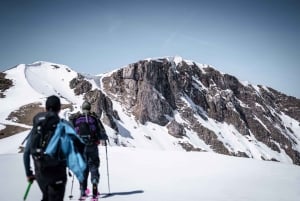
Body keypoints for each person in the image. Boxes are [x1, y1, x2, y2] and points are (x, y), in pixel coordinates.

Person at [23, 95, 86, 201]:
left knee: (46, 196)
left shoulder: (38, 126)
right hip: (58, 172)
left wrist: (29, 174)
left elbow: (26, 152)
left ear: (45, 108)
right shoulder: (63, 125)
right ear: (59, 109)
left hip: (40, 173)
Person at [69, 100, 108, 199]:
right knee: (94, 165)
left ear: (82, 108)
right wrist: (101, 139)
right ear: (89, 108)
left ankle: (83, 190)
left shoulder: (77, 119)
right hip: (92, 146)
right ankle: (94, 183)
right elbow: (101, 133)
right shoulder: (94, 118)